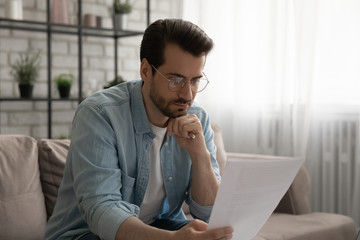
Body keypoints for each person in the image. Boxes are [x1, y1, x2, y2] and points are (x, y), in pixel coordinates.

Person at [45, 19, 233, 240]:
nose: (188, 95)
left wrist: (200, 156)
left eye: (194, 81)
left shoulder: (197, 117)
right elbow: (102, 211)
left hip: (159, 227)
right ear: (145, 71)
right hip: (86, 234)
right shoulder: (100, 114)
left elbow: (209, 214)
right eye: (175, 80)